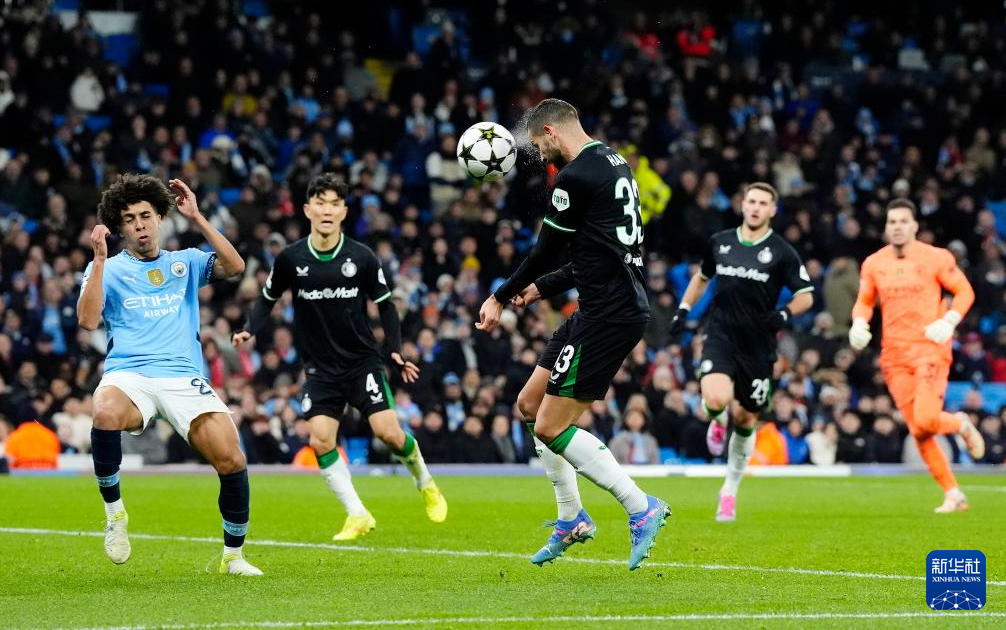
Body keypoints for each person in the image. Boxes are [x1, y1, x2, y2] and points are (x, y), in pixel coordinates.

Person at [477, 98, 668, 571]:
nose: (539, 154)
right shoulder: (613, 162)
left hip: (609, 314)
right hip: (600, 306)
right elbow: (596, 252)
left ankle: (640, 506)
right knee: (528, 405)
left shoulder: (575, 176)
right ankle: (571, 518)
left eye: (539, 145)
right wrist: (541, 289)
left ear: (550, 131)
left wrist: (501, 295)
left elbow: (545, 250)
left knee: (550, 426)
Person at [234, 174, 446, 541]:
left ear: (344, 212)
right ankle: (357, 513)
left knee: (389, 434)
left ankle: (425, 482)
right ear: (307, 210)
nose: (327, 210)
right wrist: (249, 328)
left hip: (361, 362)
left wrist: (395, 348)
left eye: (334, 204)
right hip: (319, 368)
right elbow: (267, 298)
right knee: (320, 440)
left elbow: (386, 306)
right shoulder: (291, 258)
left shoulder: (361, 256)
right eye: (320, 203)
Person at [76, 174, 261, 575]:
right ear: (120, 226)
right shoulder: (106, 268)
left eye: (146, 215)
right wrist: (99, 261)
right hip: (130, 374)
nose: (140, 225)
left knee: (231, 459)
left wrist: (197, 218)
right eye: (129, 219)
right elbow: (88, 321)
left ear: (160, 217)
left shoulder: (186, 261)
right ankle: (115, 514)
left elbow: (236, 266)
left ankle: (233, 556)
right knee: (104, 411)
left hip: (182, 376)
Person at [669, 182, 814, 521]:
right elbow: (702, 277)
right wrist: (683, 309)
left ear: (772, 210)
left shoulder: (781, 251)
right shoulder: (720, 242)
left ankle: (729, 491)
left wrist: (784, 313)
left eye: (763, 203)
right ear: (742, 204)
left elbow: (806, 294)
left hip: (759, 346)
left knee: (747, 420)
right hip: (720, 335)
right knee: (716, 399)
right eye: (751, 201)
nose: (756, 207)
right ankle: (717, 419)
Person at [849, 198, 982, 512]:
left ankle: (960, 423)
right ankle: (953, 493)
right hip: (893, 356)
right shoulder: (874, 263)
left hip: (928, 349)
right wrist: (858, 322)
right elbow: (865, 300)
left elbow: (964, 291)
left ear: (914, 226)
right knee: (919, 430)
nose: (897, 227)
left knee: (925, 420)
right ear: (886, 227)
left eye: (903, 221)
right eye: (892, 222)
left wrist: (949, 320)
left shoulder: (935, 258)